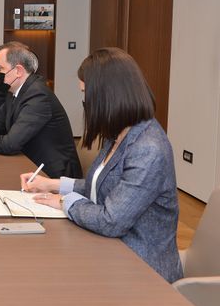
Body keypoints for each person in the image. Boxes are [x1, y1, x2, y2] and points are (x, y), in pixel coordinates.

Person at [21, 48, 182, 283]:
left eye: (85, 93)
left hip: (141, 271)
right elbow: (104, 186)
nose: (84, 101)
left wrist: (65, 202)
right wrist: (52, 185)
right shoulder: (119, 133)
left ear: (107, 95)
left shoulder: (148, 148)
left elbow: (111, 220)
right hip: (109, 251)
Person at [0, 42, 81, 178]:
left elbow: (10, 144)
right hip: (29, 163)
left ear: (18, 71)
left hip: (52, 174)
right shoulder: (14, 90)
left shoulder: (38, 96)